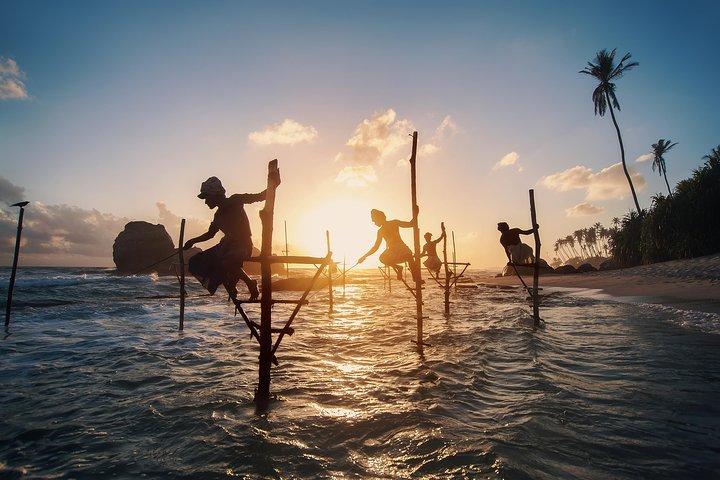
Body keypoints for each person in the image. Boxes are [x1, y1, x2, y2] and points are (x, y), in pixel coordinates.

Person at [183, 176, 269, 300]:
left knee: (226, 261)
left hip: (243, 245)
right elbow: (210, 234)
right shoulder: (217, 216)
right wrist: (192, 241)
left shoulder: (235, 200)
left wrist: (273, 185)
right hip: (225, 246)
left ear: (215, 195)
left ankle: (250, 283)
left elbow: (260, 196)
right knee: (196, 262)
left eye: (206, 198)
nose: (206, 202)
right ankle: (230, 283)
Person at [358, 209, 422, 283]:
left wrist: (416, 214)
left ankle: (416, 278)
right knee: (382, 258)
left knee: (409, 258)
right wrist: (364, 256)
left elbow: (411, 224)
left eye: (374, 220)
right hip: (392, 250)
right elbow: (375, 247)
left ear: (380, 218)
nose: (374, 222)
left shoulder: (394, 223)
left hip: (401, 247)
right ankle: (398, 267)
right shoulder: (380, 231)